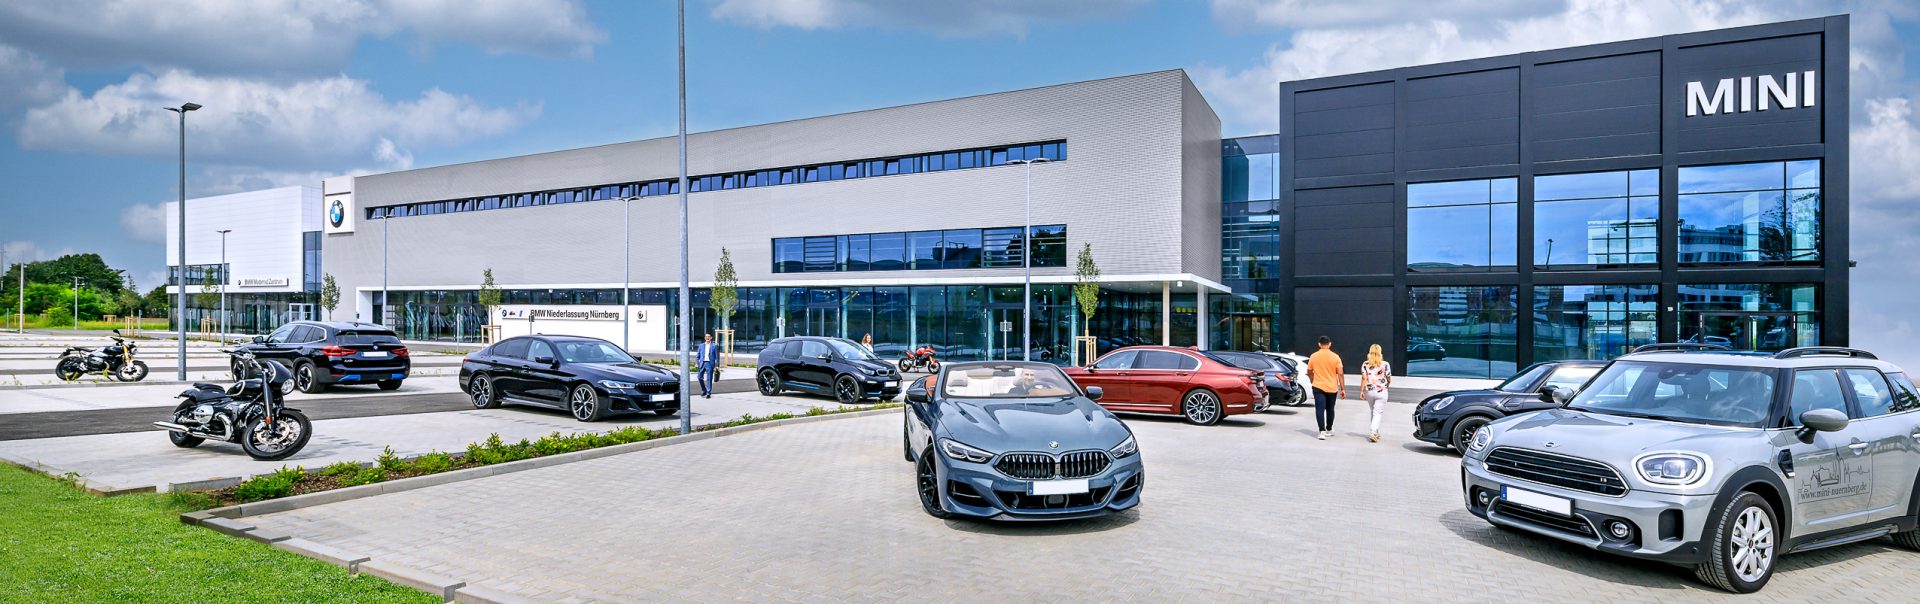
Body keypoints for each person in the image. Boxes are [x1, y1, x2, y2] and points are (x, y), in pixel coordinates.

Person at [1306, 335, 1349, 440]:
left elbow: (1309, 371)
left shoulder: (1313, 356)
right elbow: (1340, 373)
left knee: (1319, 409)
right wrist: (1343, 389)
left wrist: (1312, 380)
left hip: (1318, 386)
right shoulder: (1336, 357)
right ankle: (1329, 429)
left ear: (1319, 344)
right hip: (1332, 387)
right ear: (1330, 344)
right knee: (1330, 409)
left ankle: (1321, 431)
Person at [1361, 343, 1392, 443]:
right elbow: (1388, 377)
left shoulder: (1365, 364)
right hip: (1382, 391)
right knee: (1377, 412)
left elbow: (1364, 378)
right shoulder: (1385, 364)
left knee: (1373, 411)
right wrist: (1388, 384)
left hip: (1369, 391)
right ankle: (1373, 432)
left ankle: (1375, 431)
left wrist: (1361, 391)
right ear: (1380, 352)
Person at [696, 333, 719, 398]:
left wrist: (717, 365)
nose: (707, 338)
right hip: (702, 363)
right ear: (704, 338)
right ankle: (704, 390)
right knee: (699, 377)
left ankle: (708, 393)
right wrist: (696, 363)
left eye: (709, 337)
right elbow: (697, 356)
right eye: (706, 337)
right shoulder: (701, 345)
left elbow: (717, 357)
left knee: (709, 379)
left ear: (711, 338)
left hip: (710, 364)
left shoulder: (714, 346)